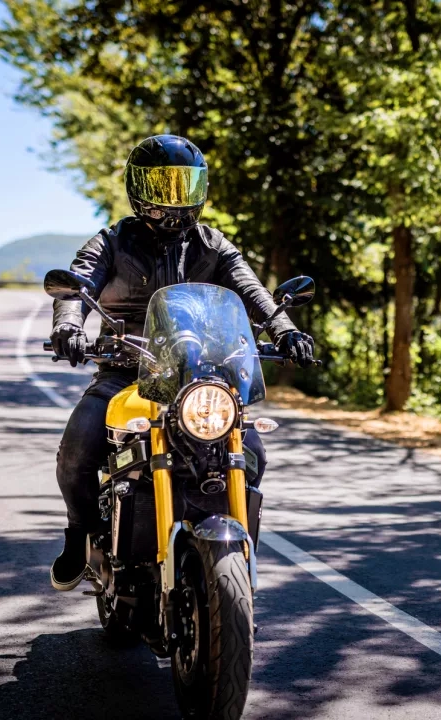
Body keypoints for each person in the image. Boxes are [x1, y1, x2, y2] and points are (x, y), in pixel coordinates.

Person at [48, 134, 315, 591]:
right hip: (128, 374)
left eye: (184, 186)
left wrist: (285, 329)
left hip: (201, 379)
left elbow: (253, 292)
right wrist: (69, 324)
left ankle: (234, 560)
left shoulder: (213, 245)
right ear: (137, 188)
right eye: (162, 186)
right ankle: (79, 536)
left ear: (201, 188)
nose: (174, 200)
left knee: (254, 452)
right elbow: (78, 283)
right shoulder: (113, 241)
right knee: (77, 450)